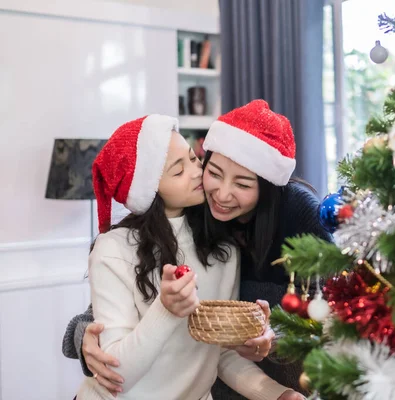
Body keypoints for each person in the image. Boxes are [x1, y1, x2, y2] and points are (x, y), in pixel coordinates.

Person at [63, 100, 331, 399]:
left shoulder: (229, 245)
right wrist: (86, 333)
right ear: (148, 187)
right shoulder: (117, 246)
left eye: (193, 159)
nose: (211, 186)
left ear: (267, 187)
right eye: (208, 171)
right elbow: (116, 357)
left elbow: (222, 353)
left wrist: (279, 389)